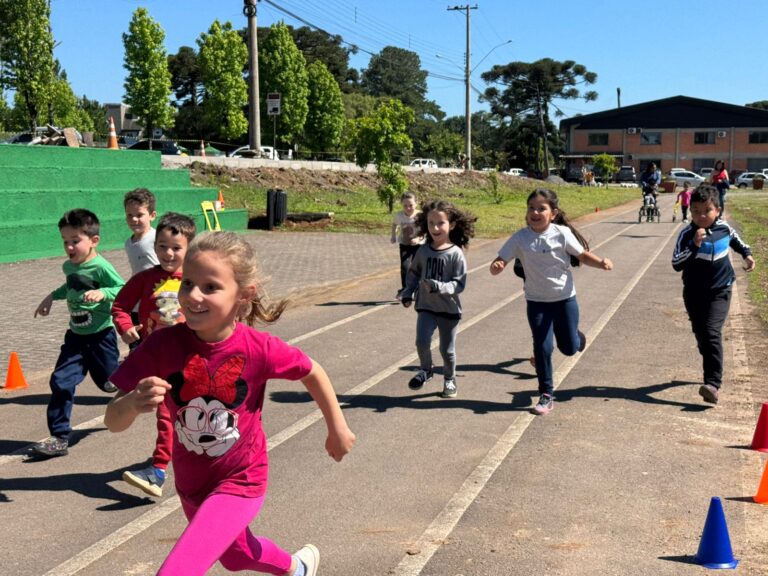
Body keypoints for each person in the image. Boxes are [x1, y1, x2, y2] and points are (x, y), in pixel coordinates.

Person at [104, 231, 355, 576]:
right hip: (192, 482)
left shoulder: (258, 349)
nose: (193, 295)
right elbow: (112, 422)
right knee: (236, 557)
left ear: (243, 295)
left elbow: (312, 371)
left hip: (242, 479)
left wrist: (336, 427)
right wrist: (132, 403)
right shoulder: (161, 346)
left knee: (178, 570)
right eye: (188, 282)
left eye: (210, 287)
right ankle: (297, 568)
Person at [489, 189, 613, 416]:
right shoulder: (520, 237)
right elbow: (500, 260)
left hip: (564, 300)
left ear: (553, 213)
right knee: (542, 347)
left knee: (568, 348)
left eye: (541, 208)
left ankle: (578, 337)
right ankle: (546, 394)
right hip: (536, 302)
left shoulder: (562, 233)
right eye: (531, 208)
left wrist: (601, 262)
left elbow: (582, 255)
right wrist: (497, 266)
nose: (535, 212)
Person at [111, 212, 196, 498]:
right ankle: (171, 461)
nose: (168, 253)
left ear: (189, 249)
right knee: (140, 406)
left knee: (167, 414)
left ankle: (158, 470)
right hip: (151, 357)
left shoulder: (195, 279)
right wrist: (125, 328)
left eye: (176, 247)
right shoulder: (145, 278)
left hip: (184, 358)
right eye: (161, 246)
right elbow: (120, 306)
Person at [31, 209, 125, 458]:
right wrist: (51, 297)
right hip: (75, 338)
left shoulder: (101, 266)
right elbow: (70, 286)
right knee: (60, 381)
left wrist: (103, 293)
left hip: (101, 337)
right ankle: (59, 437)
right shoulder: (69, 266)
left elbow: (122, 287)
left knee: (109, 383)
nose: (69, 247)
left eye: (75, 241)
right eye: (65, 241)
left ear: (94, 240)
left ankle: (129, 382)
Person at [672, 184, 755, 405]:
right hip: (694, 292)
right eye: (696, 211)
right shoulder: (686, 234)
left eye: (706, 210)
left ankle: (713, 384)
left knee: (711, 332)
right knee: (701, 334)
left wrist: (747, 255)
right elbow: (676, 263)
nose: (701, 216)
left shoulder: (724, 229)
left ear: (717, 209)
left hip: (721, 289)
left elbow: (738, 242)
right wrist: (694, 245)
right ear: (690, 212)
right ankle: (708, 351)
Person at [400, 200, 476, 398]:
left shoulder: (455, 254)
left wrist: (439, 286)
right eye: (431, 223)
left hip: (449, 310)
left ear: (451, 225)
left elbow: (459, 284)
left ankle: (449, 379)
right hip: (426, 306)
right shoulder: (423, 251)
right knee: (421, 342)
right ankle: (426, 370)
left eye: (440, 223)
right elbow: (414, 273)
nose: (435, 227)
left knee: (447, 351)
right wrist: (408, 292)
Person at [123, 188, 159, 351]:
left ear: (152, 215)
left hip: (158, 304)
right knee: (136, 349)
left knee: (157, 347)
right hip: (137, 306)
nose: (134, 219)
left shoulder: (158, 238)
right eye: (129, 215)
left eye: (139, 215)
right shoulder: (128, 243)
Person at [390, 192, 424, 299]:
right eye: (405, 206)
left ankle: (418, 289)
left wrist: (418, 238)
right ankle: (406, 289)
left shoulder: (420, 216)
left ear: (416, 204)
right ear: (401, 205)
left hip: (419, 246)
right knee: (405, 267)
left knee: (417, 268)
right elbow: (395, 224)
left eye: (411, 205)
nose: (408, 208)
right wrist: (394, 236)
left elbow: (425, 230)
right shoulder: (399, 215)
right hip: (405, 244)